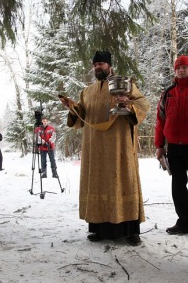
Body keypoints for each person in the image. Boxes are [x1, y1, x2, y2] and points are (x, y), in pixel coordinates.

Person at [61, 50, 150, 246]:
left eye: (101, 64)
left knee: (124, 181)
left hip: (119, 146)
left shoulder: (125, 85)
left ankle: (130, 231)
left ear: (109, 66)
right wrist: (73, 108)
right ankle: (99, 229)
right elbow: (81, 118)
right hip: (95, 148)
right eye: (95, 64)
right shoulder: (87, 92)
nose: (97, 67)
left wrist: (128, 104)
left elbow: (143, 103)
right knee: (98, 183)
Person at [154, 55, 188, 240]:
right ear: (175, 71)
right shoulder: (168, 92)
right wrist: (159, 145)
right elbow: (160, 120)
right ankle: (183, 222)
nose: (181, 70)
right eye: (178, 68)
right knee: (178, 186)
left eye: (184, 67)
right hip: (174, 148)